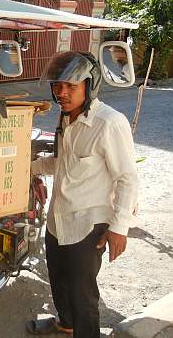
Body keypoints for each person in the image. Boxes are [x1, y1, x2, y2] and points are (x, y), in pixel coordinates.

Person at [26, 51, 138, 337]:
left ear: (90, 85)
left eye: (71, 86)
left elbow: (127, 178)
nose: (61, 93)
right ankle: (65, 324)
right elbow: (62, 161)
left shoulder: (109, 123)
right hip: (58, 219)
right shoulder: (67, 119)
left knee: (82, 293)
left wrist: (119, 228)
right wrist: (30, 168)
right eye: (57, 85)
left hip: (87, 226)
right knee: (58, 280)